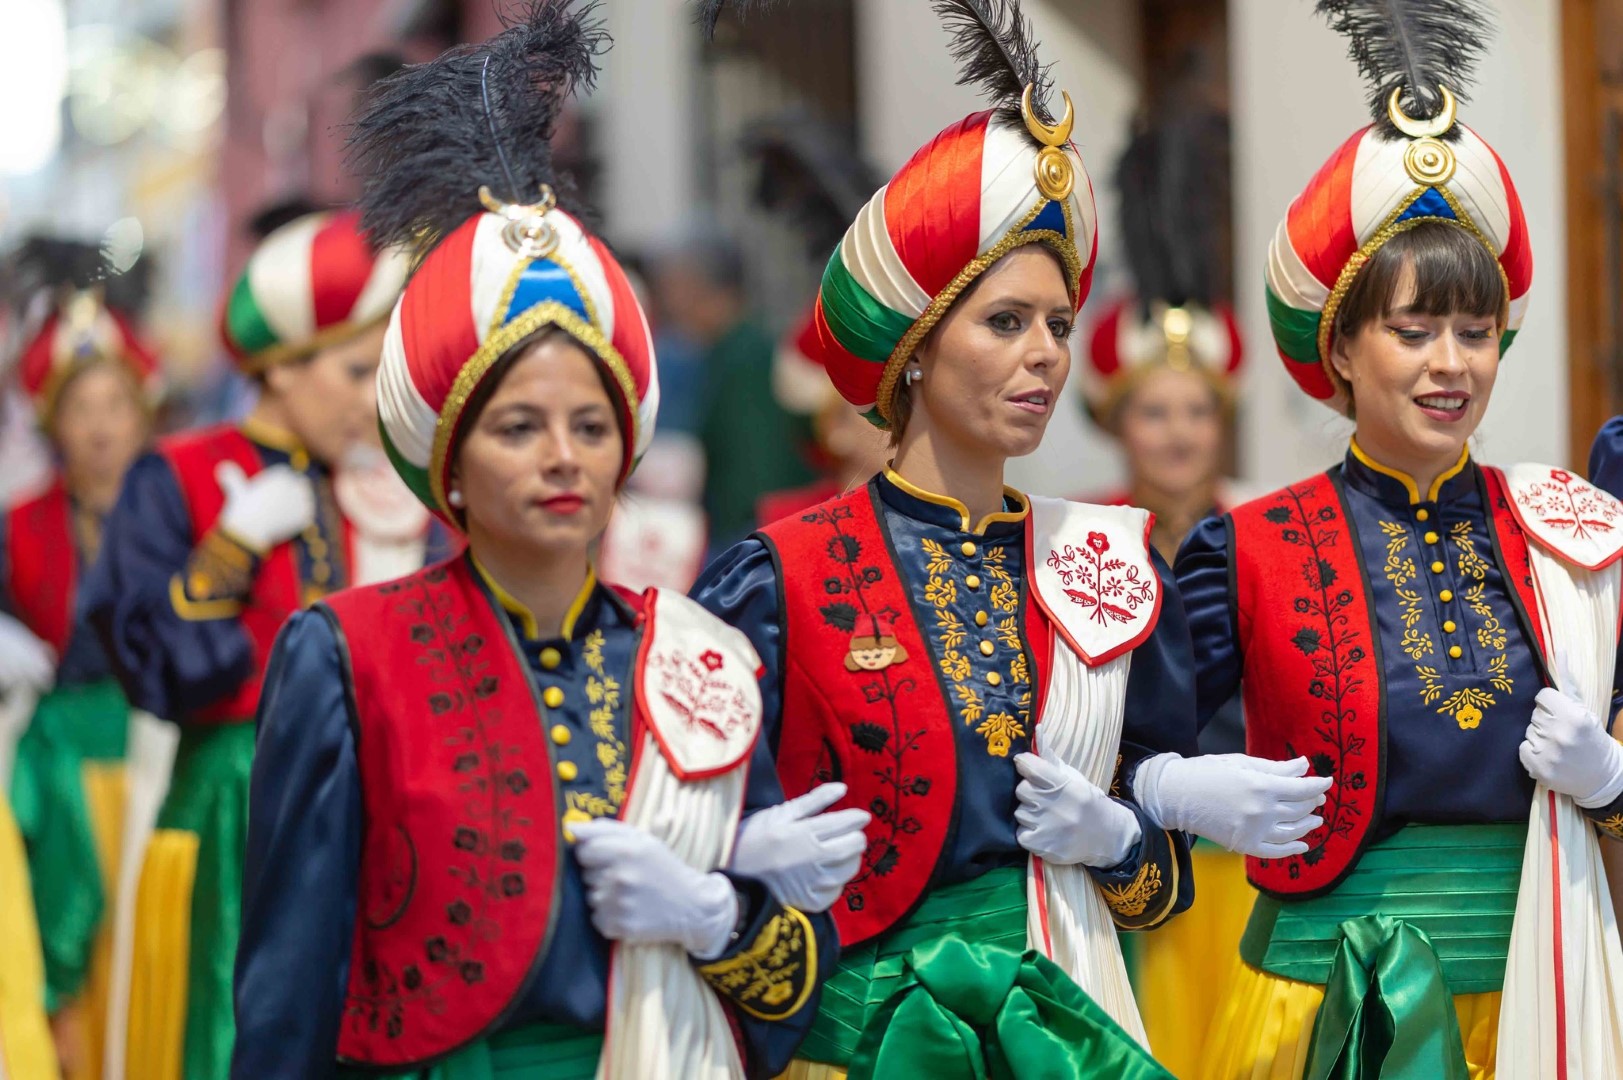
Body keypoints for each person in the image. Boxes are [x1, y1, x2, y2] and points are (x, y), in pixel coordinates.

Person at [695, 1, 1328, 1075]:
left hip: (1069, 1024)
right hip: (868, 1048)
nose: (1045, 355)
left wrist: (1125, 836)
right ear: (914, 347)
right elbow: (718, 879)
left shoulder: (1103, 563)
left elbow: (1154, 888)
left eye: (1058, 325)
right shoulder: (780, 579)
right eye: (1004, 322)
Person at [232, 6, 846, 1077]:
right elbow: (290, 990)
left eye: (591, 428)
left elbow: (794, 991)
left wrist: (716, 915)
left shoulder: (700, 658)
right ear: (450, 461)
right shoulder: (344, 655)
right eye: (518, 428)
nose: (563, 458)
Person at [1182, 2, 1623, 1076]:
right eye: (1412, 330)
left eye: (1476, 332)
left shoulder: (1563, 533)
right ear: (1340, 347)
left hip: (1541, 991)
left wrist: (1613, 780)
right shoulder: (1248, 548)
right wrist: (1174, 793)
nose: (1450, 364)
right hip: (1326, 999)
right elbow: (1115, 744)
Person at [82, 208, 408, 1079]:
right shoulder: (177, 474)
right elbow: (155, 666)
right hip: (237, 800)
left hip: (374, 795)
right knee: (232, 1030)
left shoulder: (385, 484)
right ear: (280, 366)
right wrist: (229, 550)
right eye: (353, 371)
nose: (369, 398)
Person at [1077, 114, 1251, 1079]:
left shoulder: (1266, 537)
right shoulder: (1080, 547)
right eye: (1154, 411)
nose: (1178, 433)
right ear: (1117, 422)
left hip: (1252, 866)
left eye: (1196, 411)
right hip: (1127, 866)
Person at [3, 285, 159, 1079]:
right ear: (52, 422)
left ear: (142, 414)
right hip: (59, 766)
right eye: (80, 408)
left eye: (115, 405)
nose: (100, 428)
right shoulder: (19, 525)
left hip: (159, 758)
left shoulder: (178, 512)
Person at [648, 237, 817, 551]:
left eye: (676, 288)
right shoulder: (721, 351)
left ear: (701, 289)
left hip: (757, 533)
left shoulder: (746, 358)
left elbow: (753, 474)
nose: (671, 303)